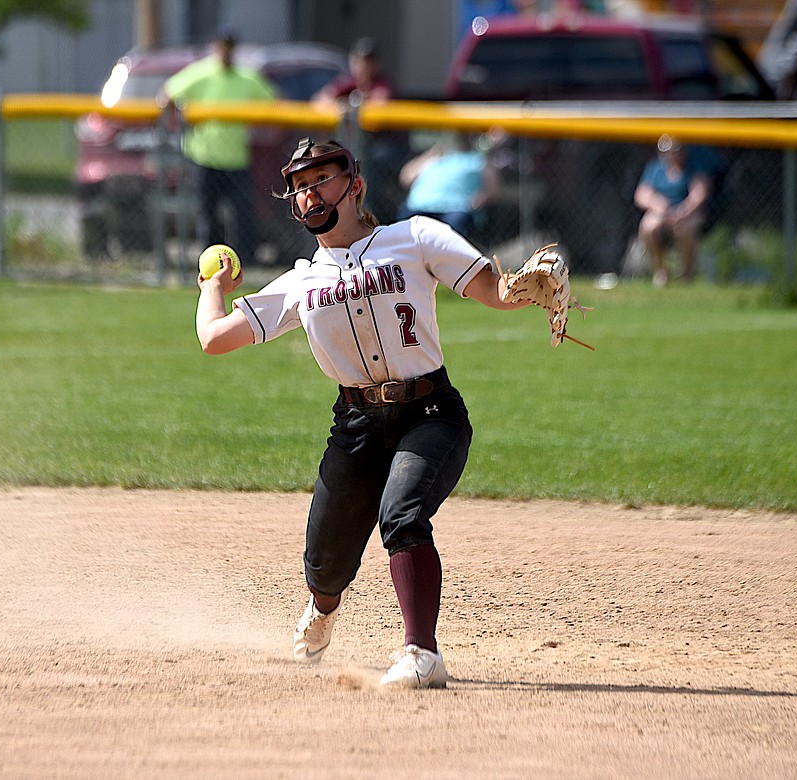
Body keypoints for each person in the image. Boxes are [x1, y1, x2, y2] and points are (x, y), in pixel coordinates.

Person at [194, 138, 534, 689]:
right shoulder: (302, 281)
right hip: (355, 427)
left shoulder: (414, 238)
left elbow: (494, 290)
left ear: (354, 185)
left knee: (401, 514)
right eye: (299, 188)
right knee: (324, 566)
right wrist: (212, 287)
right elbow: (213, 339)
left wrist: (528, 289)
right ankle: (324, 609)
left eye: (321, 180)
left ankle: (423, 654)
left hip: (429, 412)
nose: (309, 195)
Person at [162, 28, 276, 266]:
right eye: (222, 46)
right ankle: (209, 262)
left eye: (230, 46)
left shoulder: (246, 77)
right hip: (205, 157)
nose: (226, 51)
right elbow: (167, 95)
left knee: (243, 213)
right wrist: (176, 124)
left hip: (236, 158)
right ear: (214, 47)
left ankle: (246, 260)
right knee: (208, 215)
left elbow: (273, 101)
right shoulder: (200, 73)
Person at [312, 38, 408, 220]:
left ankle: (371, 215)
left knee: (370, 164)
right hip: (358, 150)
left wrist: (350, 104)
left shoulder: (382, 83)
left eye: (369, 61)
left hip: (388, 151)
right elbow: (320, 99)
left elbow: (381, 102)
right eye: (360, 60)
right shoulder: (349, 83)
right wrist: (346, 103)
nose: (365, 66)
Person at [633, 134, 714, 287]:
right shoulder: (656, 167)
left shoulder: (693, 167)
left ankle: (687, 274)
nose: (670, 154)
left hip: (687, 214)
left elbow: (700, 193)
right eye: (666, 151)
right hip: (663, 213)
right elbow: (641, 194)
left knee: (686, 227)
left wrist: (682, 211)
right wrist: (659, 205)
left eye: (674, 150)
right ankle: (661, 271)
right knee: (648, 226)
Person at [396, 132, 501, 242]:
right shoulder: (433, 157)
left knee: (454, 226)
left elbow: (492, 189)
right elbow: (405, 178)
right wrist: (428, 155)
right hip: (419, 207)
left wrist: (477, 202)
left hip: (455, 210)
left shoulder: (477, 159)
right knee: (407, 225)